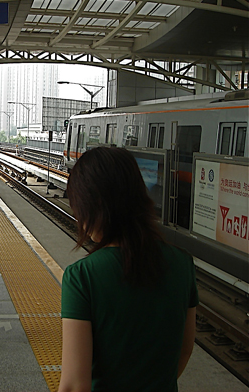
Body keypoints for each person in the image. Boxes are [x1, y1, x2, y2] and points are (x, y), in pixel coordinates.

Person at [58, 147, 198, 392]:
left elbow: (74, 386)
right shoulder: (183, 264)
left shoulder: (82, 277)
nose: (78, 217)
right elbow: (184, 350)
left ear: (97, 205)